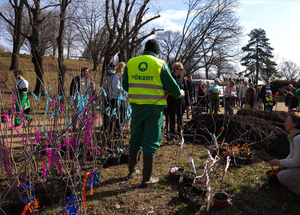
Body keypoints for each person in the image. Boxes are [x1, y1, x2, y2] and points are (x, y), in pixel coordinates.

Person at [122, 39, 183, 188]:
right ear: (156, 52)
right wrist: (179, 93)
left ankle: (132, 171)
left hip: (136, 108)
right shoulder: (160, 64)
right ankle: (147, 178)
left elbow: (125, 85)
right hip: (154, 109)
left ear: (144, 50)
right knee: (151, 141)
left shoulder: (131, 63)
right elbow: (172, 86)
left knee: (135, 138)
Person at [269, 113, 300, 196]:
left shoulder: (297, 139)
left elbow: (297, 161)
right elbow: (292, 154)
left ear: (295, 124)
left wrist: (278, 162)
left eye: (287, 121)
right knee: (284, 170)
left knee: (282, 176)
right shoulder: (295, 136)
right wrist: (282, 166)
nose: (285, 123)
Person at [167, 62, 190, 136]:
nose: (182, 71)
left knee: (180, 119)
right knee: (172, 119)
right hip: (171, 102)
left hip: (181, 103)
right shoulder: (169, 78)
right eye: (180, 69)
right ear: (175, 69)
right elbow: (166, 90)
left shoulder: (183, 80)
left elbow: (186, 92)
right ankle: (172, 134)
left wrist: (188, 104)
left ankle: (180, 134)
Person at [111, 62, 126, 137]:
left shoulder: (124, 76)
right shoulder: (116, 76)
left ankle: (117, 130)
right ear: (120, 67)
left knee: (122, 115)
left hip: (122, 98)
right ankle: (120, 132)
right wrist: (124, 90)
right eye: (123, 67)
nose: (124, 68)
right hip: (116, 98)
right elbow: (115, 87)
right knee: (118, 116)